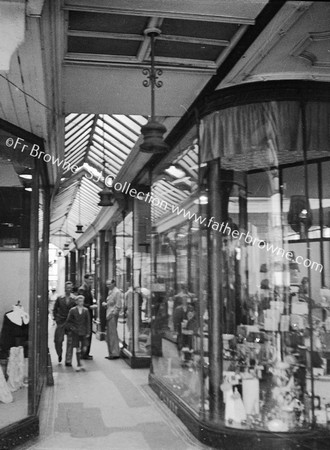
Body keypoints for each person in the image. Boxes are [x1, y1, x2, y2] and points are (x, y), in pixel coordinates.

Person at [53, 281, 77, 366]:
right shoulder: (60, 298)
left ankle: (68, 360)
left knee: (70, 342)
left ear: (72, 289)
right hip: (61, 322)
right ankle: (59, 354)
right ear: (65, 288)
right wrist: (56, 318)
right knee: (58, 340)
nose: (69, 289)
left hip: (70, 322)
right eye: (67, 288)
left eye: (70, 288)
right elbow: (55, 309)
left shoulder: (74, 299)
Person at [65, 295, 91, 372]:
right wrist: (72, 328)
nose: (81, 303)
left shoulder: (86, 311)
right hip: (76, 332)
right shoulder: (72, 310)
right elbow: (68, 321)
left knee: (84, 347)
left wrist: (88, 332)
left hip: (83, 331)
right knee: (77, 348)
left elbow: (88, 322)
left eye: (82, 301)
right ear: (76, 302)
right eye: (79, 301)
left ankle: (81, 360)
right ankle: (79, 364)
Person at [78, 274, 97, 359]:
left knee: (88, 333)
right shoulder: (82, 289)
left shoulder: (88, 288)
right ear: (85, 279)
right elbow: (80, 302)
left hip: (88, 313)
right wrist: (89, 306)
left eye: (92, 279)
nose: (91, 281)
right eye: (90, 279)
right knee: (86, 333)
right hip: (85, 314)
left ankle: (85, 353)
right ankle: (84, 353)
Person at [102, 279, 122, 360]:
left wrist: (113, 313)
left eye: (109, 284)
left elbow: (118, 305)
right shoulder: (111, 291)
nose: (108, 286)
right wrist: (106, 305)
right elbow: (111, 303)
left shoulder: (117, 292)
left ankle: (114, 353)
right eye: (107, 284)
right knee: (110, 335)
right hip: (109, 314)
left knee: (112, 334)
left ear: (113, 283)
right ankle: (112, 352)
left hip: (112, 315)